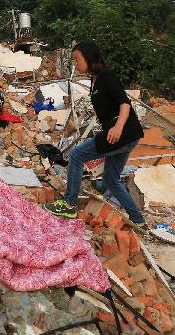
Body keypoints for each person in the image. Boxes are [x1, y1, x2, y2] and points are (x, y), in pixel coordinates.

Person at [44, 41, 146, 226]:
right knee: (110, 180)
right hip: (125, 136)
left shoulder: (107, 77)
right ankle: (138, 220)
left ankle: (69, 204)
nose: (76, 63)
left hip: (122, 134)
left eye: (77, 59)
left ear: (89, 58)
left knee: (76, 155)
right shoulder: (95, 78)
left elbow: (125, 103)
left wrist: (117, 128)